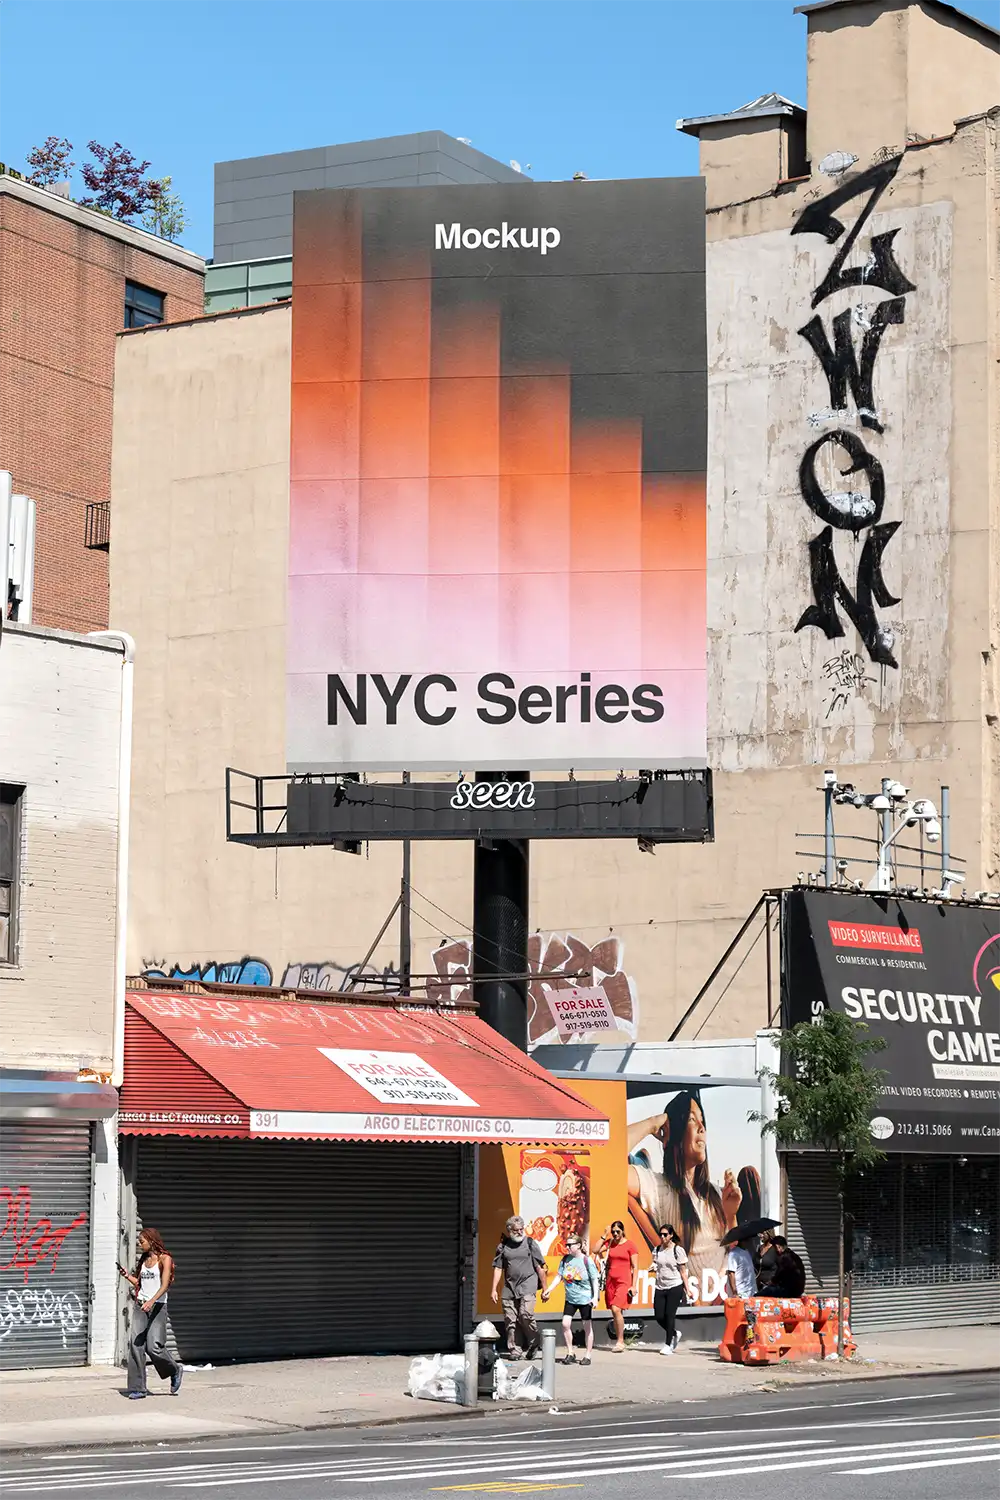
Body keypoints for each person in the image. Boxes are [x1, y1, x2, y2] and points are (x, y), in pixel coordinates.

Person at [627, 1091, 743, 1288]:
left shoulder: (715, 1193)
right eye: (692, 1119)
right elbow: (607, 1158)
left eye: (702, 1120)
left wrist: (731, 1214)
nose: (702, 1127)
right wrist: (653, 1123)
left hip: (723, 1303)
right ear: (675, 1131)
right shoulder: (658, 1187)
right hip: (691, 1307)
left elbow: (732, 1248)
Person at [119, 1227, 183, 1399]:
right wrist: (126, 1276)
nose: (140, 1244)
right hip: (141, 1306)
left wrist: (152, 1301)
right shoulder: (145, 1260)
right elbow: (139, 1284)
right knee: (136, 1345)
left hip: (157, 1306)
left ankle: (175, 1369)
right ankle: (138, 1388)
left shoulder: (165, 1259)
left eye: (142, 1241)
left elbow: (164, 1285)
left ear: (152, 1240)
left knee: (154, 1346)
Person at [491, 1215, 547, 1360]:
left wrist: (545, 1289)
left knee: (526, 1314)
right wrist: (493, 1289)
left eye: (522, 1229)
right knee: (510, 1319)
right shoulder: (503, 1247)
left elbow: (540, 1267)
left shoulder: (530, 1243)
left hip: (528, 1283)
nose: (520, 1232)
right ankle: (514, 1350)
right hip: (509, 1287)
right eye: (516, 1230)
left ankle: (535, 1341)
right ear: (509, 1230)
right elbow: (498, 1268)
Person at [541, 1233, 600, 1365]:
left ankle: (588, 1355)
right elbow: (559, 1277)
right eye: (566, 1245)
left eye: (570, 1245)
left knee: (587, 1326)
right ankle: (570, 1352)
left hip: (585, 1299)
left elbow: (594, 1279)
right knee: (565, 1324)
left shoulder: (587, 1260)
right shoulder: (565, 1259)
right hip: (571, 1298)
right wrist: (549, 1290)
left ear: (578, 1246)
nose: (567, 1247)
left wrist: (595, 1297)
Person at [595, 1220, 639, 1352]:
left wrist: (634, 1286)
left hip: (624, 1281)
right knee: (614, 1312)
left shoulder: (630, 1245)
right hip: (610, 1281)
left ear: (623, 1231)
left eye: (617, 1231)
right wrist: (604, 1234)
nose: (615, 1234)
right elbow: (595, 1250)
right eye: (613, 1232)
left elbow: (635, 1267)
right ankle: (619, 1340)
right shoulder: (609, 1243)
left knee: (616, 1309)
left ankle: (620, 1341)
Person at [651, 1223, 692, 1356]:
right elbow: (656, 1264)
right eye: (661, 1234)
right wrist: (653, 1267)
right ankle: (674, 1333)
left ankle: (668, 1344)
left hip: (675, 1286)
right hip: (660, 1286)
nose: (662, 1237)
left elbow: (683, 1272)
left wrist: (688, 1289)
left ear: (671, 1235)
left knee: (670, 1316)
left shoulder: (677, 1250)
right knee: (658, 1316)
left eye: (665, 1234)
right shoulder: (657, 1250)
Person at [724, 1231, 758, 1301]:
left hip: (750, 1293)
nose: (750, 1241)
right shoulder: (734, 1253)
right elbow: (731, 1274)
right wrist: (735, 1293)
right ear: (743, 1240)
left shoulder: (746, 1252)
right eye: (748, 1239)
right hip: (740, 1294)